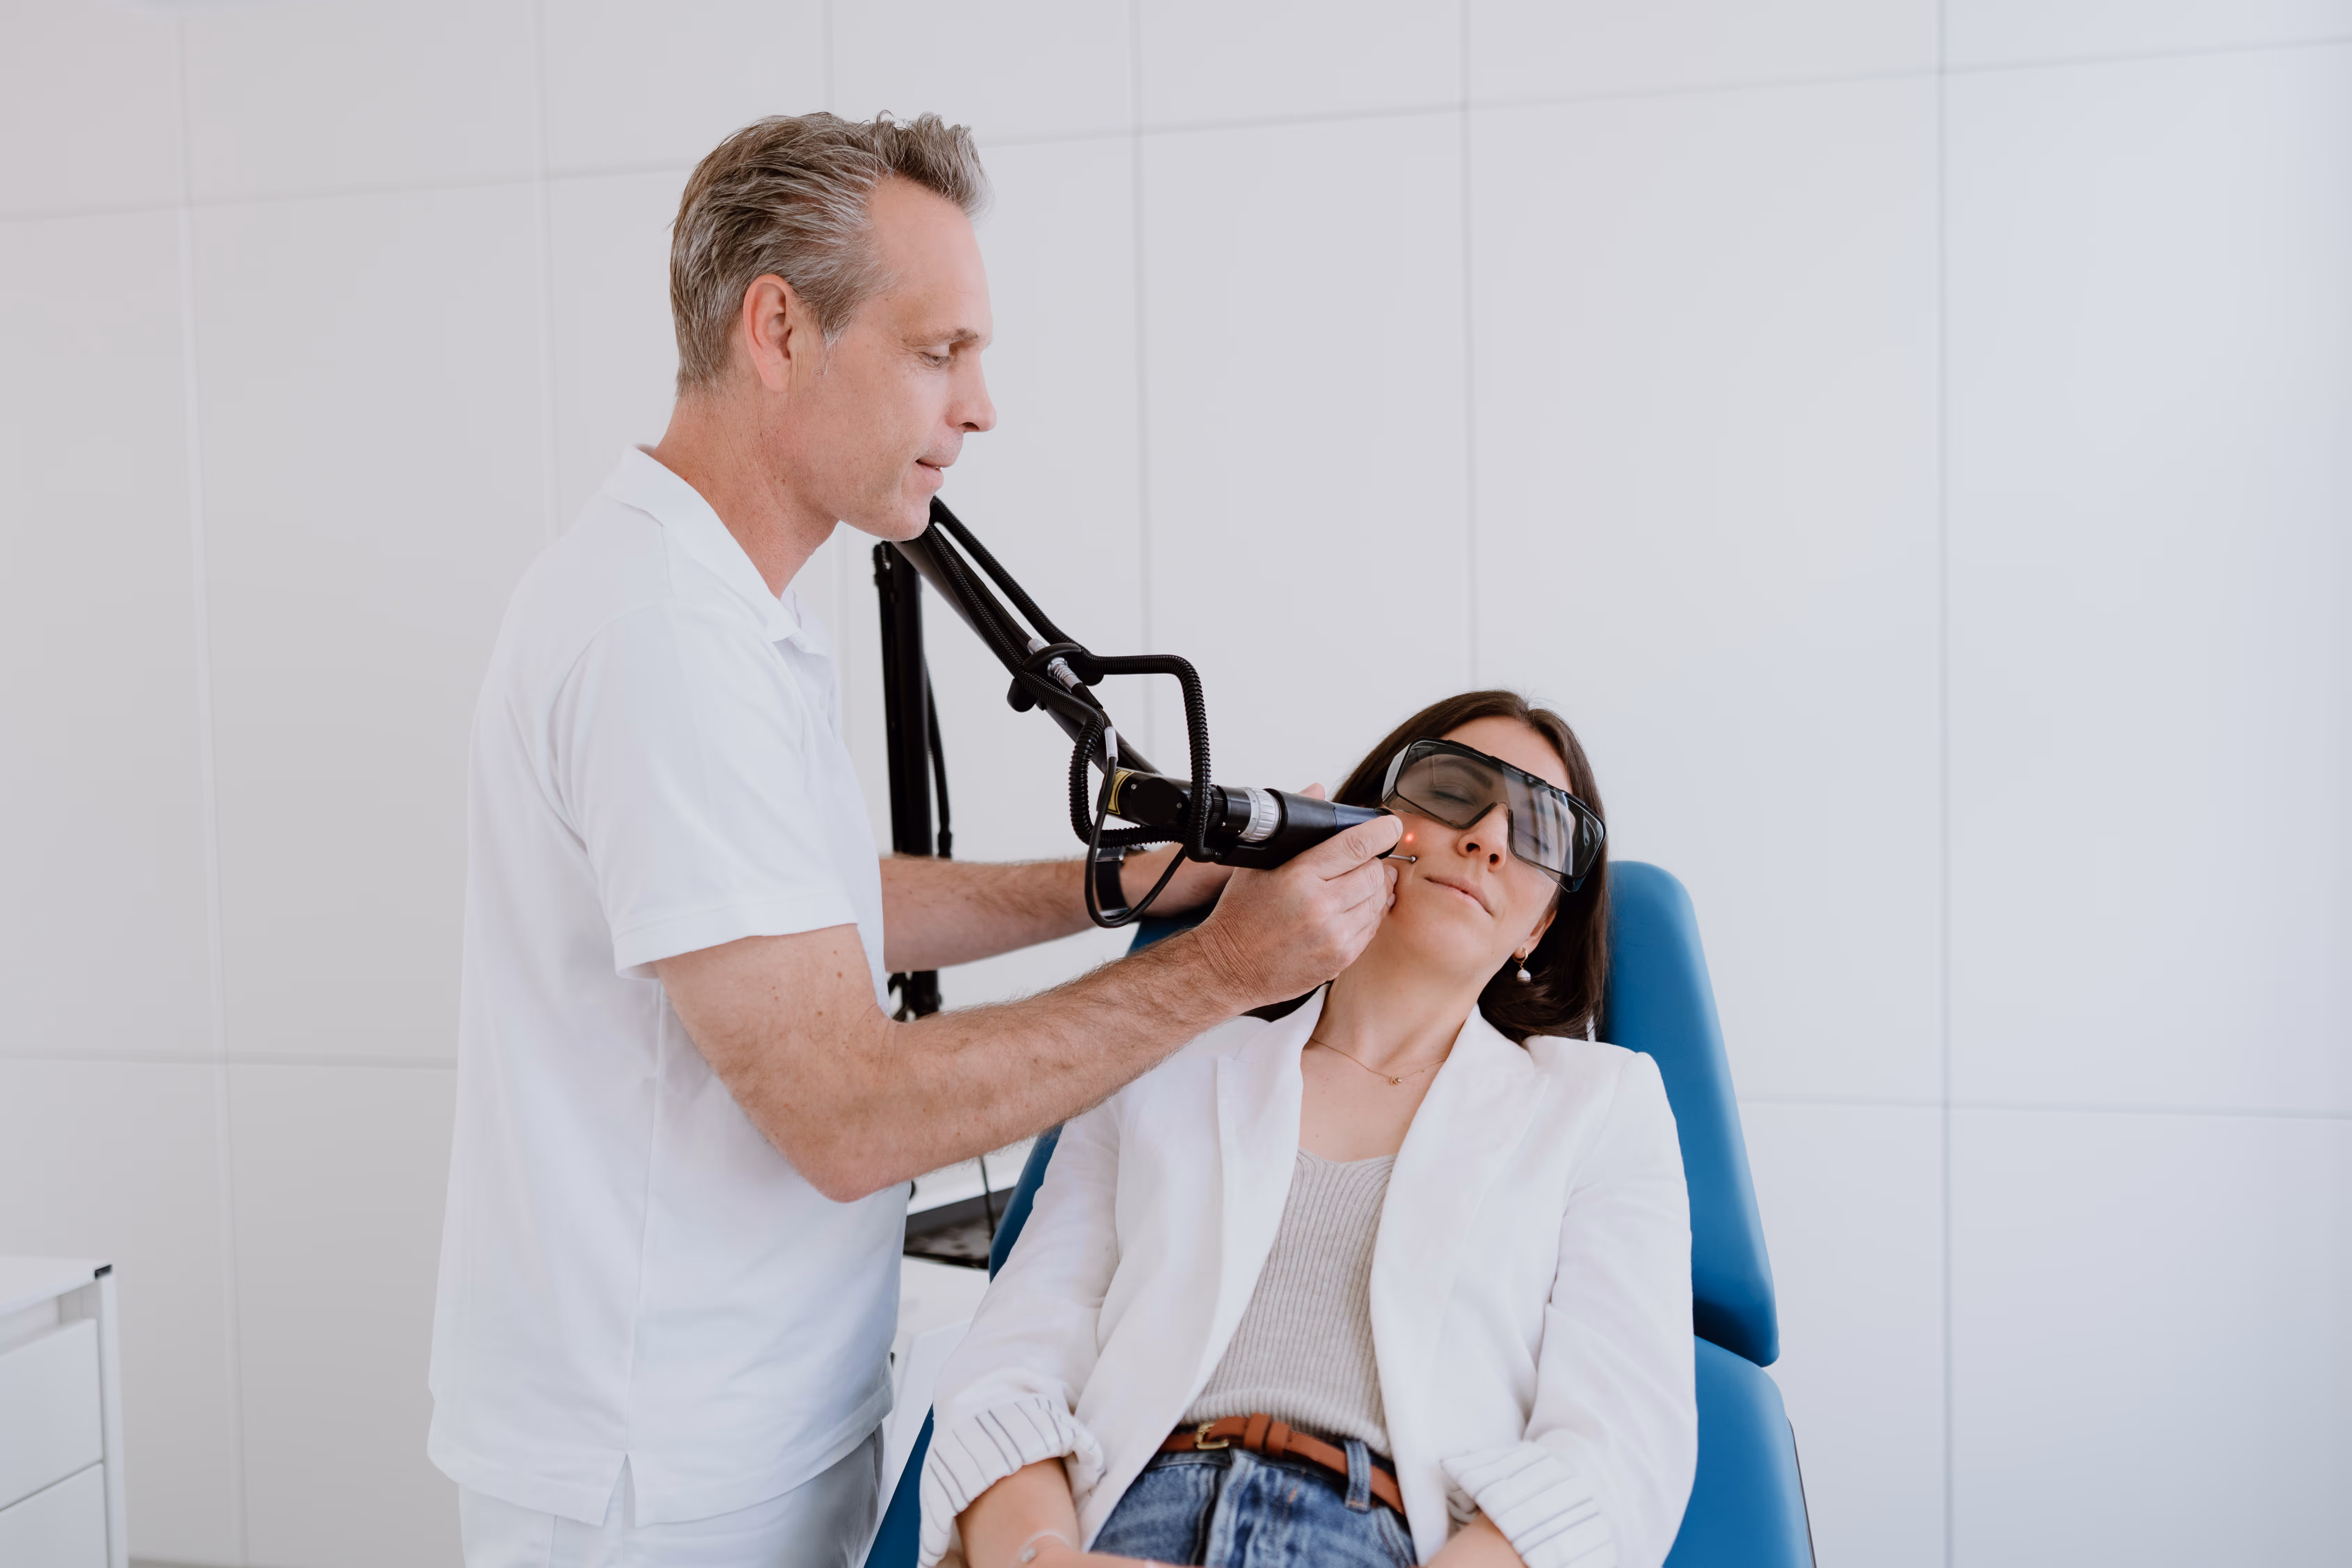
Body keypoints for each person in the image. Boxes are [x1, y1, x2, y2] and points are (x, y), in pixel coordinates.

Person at [427, 112, 1404, 1568]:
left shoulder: (730, 612)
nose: (983, 405)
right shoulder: (664, 641)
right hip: (660, 1462)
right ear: (778, 329)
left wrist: (1111, 884)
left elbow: (819, 907)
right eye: (939, 350)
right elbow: (845, 1110)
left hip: (748, 1413)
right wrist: (1215, 969)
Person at [921, 691, 1698, 1568]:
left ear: (1541, 924)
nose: (1486, 838)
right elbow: (1017, 1354)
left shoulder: (1598, 1105)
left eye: (1538, 830)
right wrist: (1039, 1557)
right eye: (1452, 790)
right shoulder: (1165, 1055)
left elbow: (1618, 1448)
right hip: (1123, 1527)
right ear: (1356, 826)